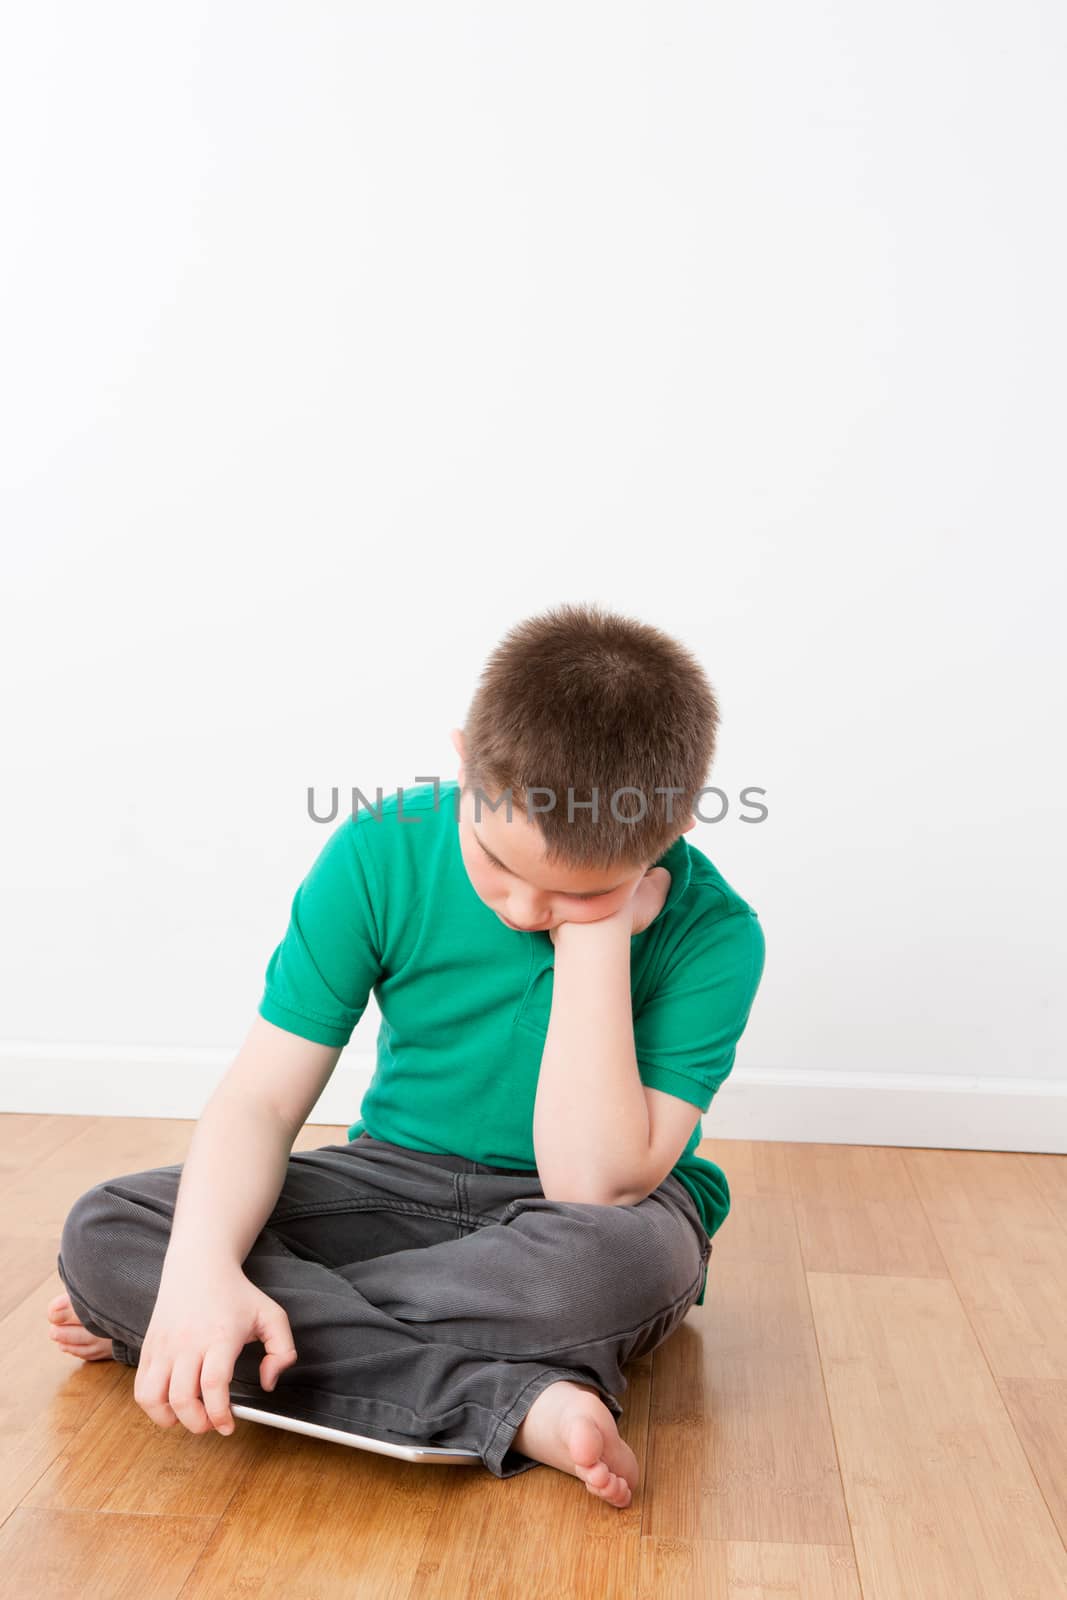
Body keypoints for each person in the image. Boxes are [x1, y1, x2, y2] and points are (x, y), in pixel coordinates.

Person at [48, 601, 766, 1507]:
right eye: (502, 869)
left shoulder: (717, 935)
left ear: (670, 835)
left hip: (583, 1223)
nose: (524, 913)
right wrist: (194, 1267)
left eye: (577, 893)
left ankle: (211, 1328)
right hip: (392, 1180)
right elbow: (262, 1104)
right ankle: (498, 1400)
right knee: (111, 1227)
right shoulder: (378, 852)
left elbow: (591, 1183)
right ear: (465, 764)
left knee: (616, 1270)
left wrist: (599, 939)